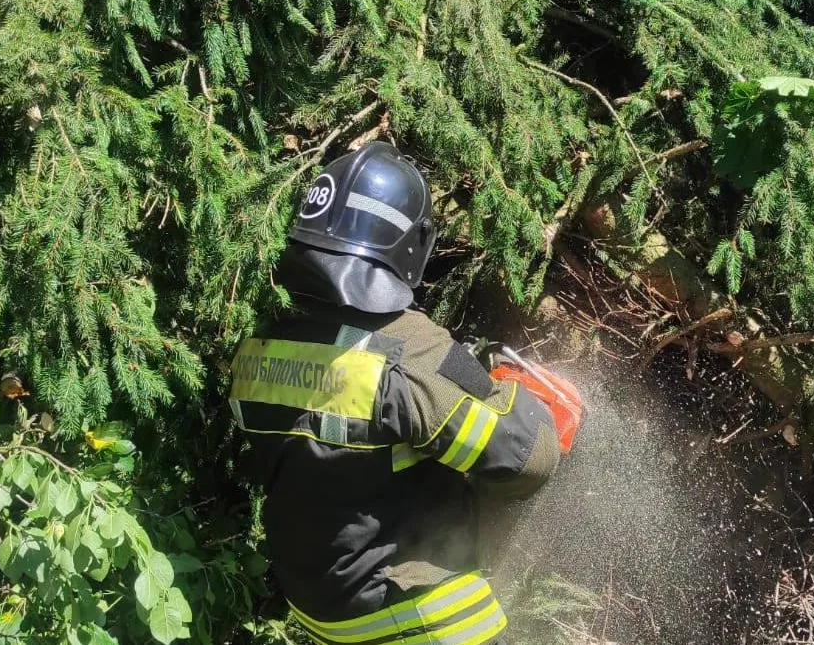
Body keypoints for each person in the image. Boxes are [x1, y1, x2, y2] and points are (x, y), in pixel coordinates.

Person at [228, 142, 570, 645]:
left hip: (321, 611)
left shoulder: (261, 345)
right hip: (418, 615)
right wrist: (515, 397)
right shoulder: (408, 348)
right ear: (411, 244)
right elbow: (528, 460)